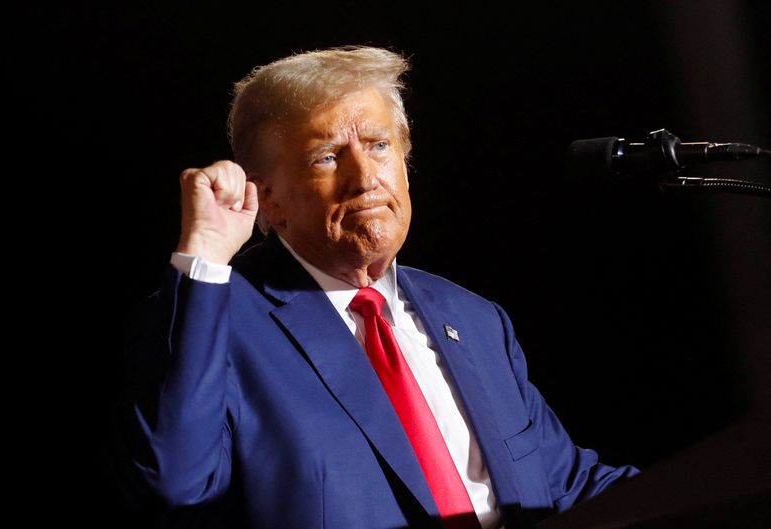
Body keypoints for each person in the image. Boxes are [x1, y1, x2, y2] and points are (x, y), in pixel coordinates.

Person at [123, 46, 638, 529]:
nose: (366, 177)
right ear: (268, 199)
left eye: (379, 146)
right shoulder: (219, 321)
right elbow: (174, 486)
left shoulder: (476, 320)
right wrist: (206, 254)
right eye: (327, 156)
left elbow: (568, 487)